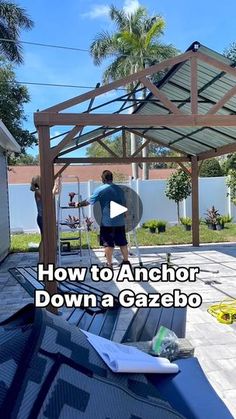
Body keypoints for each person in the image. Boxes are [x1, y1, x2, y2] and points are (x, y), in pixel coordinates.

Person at [77, 170, 129, 268]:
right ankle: (126, 262)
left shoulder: (100, 190)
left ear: (103, 179)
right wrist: (125, 214)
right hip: (120, 222)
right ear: (112, 178)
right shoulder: (120, 190)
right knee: (122, 243)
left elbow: (88, 201)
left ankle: (109, 265)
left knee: (108, 245)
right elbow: (124, 204)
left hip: (107, 223)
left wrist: (78, 204)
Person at [30, 175, 61, 263]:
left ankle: (48, 257)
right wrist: (55, 185)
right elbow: (49, 198)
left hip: (46, 218)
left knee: (51, 237)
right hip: (42, 218)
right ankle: (41, 260)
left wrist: (58, 182)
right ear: (38, 182)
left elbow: (57, 192)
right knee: (44, 239)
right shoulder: (38, 191)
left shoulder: (42, 191)